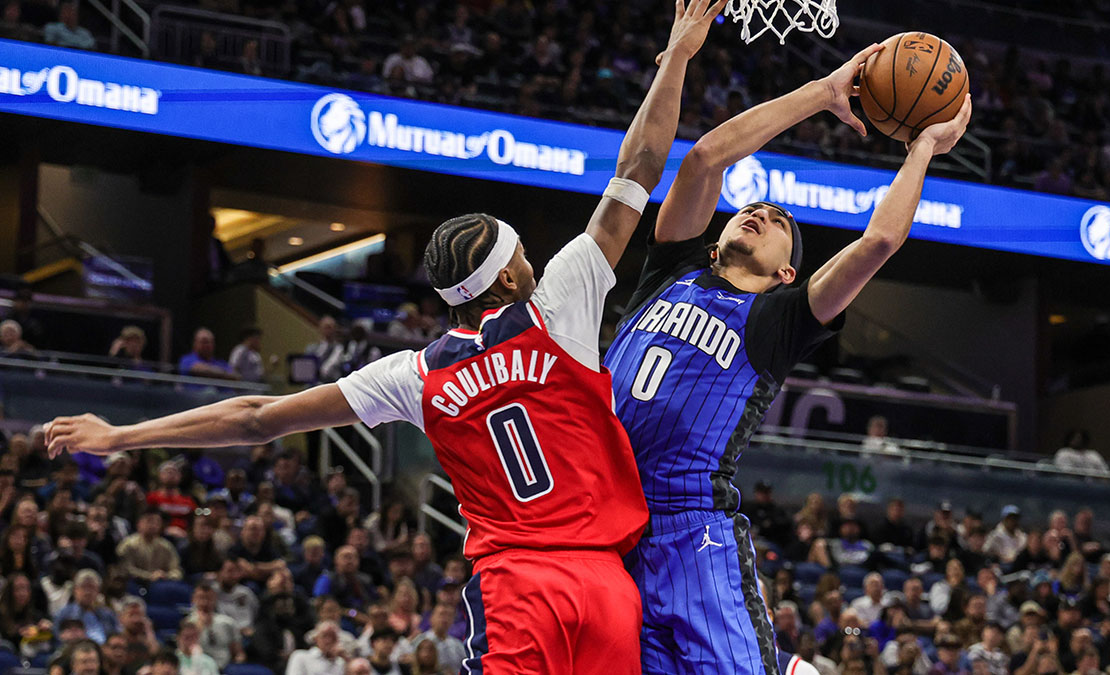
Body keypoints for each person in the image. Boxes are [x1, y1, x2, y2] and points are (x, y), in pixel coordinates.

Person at [45, 2, 719, 671]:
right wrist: (679, 57)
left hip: (519, 586)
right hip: (604, 584)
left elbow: (253, 419)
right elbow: (637, 168)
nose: (530, 260)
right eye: (520, 255)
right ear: (509, 280)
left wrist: (122, 435)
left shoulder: (416, 373)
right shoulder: (561, 302)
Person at [601, 25, 971, 670]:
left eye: (778, 223)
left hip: (690, 532)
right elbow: (705, 161)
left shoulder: (779, 319)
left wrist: (925, 149)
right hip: (603, 521)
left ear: (786, 274)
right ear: (714, 244)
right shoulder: (672, 270)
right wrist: (823, 92)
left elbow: (879, 240)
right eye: (752, 210)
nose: (760, 213)